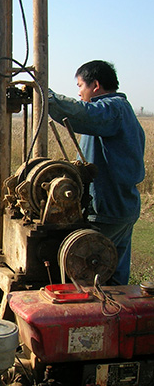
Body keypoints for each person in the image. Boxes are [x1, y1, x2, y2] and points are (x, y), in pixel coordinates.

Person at [48, 60, 145, 285]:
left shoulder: (112, 109)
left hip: (107, 208)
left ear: (96, 85)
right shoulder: (123, 113)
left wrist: (47, 97)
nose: (80, 93)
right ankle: (119, 314)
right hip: (123, 206)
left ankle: (91, 317)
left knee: (85, 267)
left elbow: (83, 114)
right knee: (114, 272)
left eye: (81, 86)